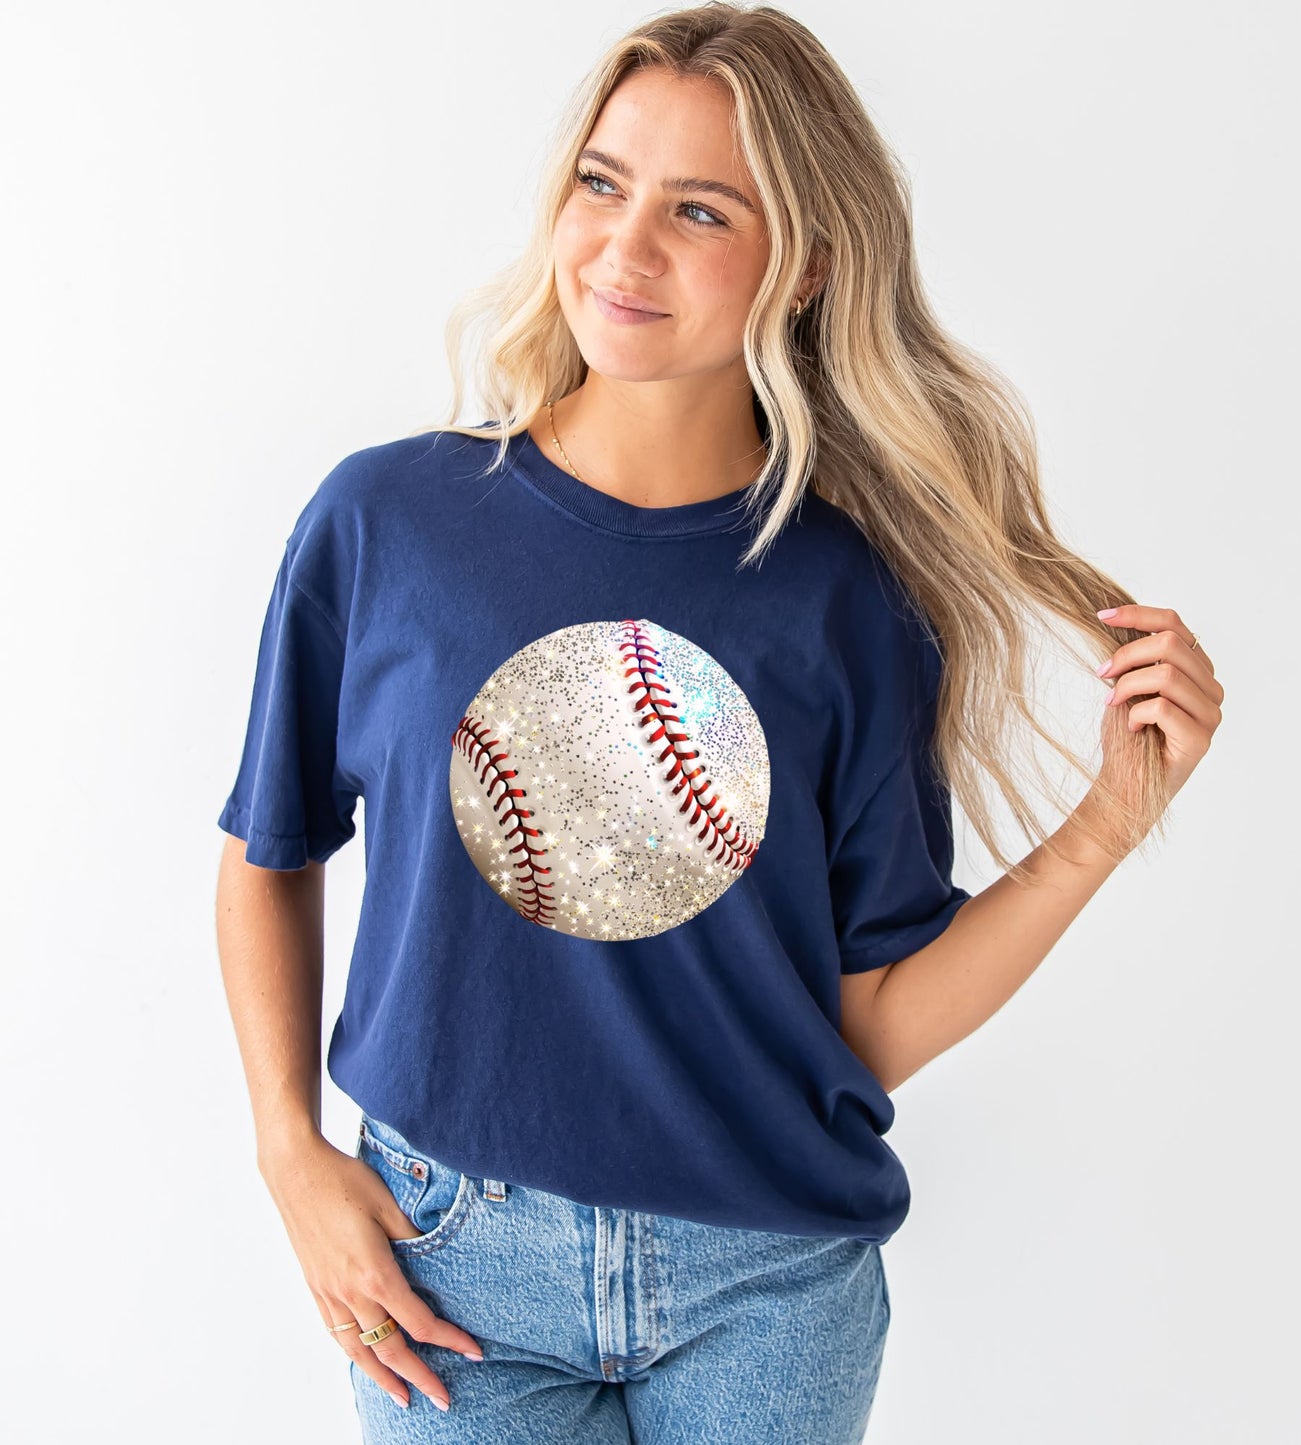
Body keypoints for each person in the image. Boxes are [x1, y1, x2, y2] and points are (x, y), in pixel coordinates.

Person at [213, 4, 1224, 1441]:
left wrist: (1111, 822)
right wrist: (285, 1151)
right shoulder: (390, 522)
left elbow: (864, 1021)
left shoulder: (853, 600)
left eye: (700, 211)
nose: (626, 249)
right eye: (602, 182)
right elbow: (269, 848)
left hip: (763, 1286)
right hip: (447, 1263)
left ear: (805, 265)